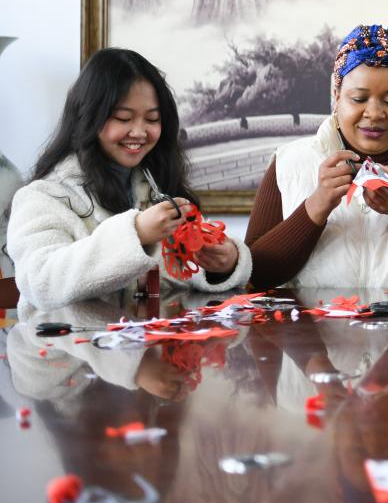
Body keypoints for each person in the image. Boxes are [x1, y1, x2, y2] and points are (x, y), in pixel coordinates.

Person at [8, 48, 251, 312]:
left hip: (146, 336)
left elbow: (180, 273)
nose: (139, 132)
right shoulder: (41, 197)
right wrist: (136, 233)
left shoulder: (156, 189)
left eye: (152, 119)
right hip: (68, 338)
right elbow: (41, 282)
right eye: (123, 118)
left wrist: (223, 264)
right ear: (89, 117)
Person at [245, 24, 388, 288]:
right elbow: (256, 273)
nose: (375, 114)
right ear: (336, 96)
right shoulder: (289, 162)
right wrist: (317, 205)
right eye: (358, 99)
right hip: (312, 317)